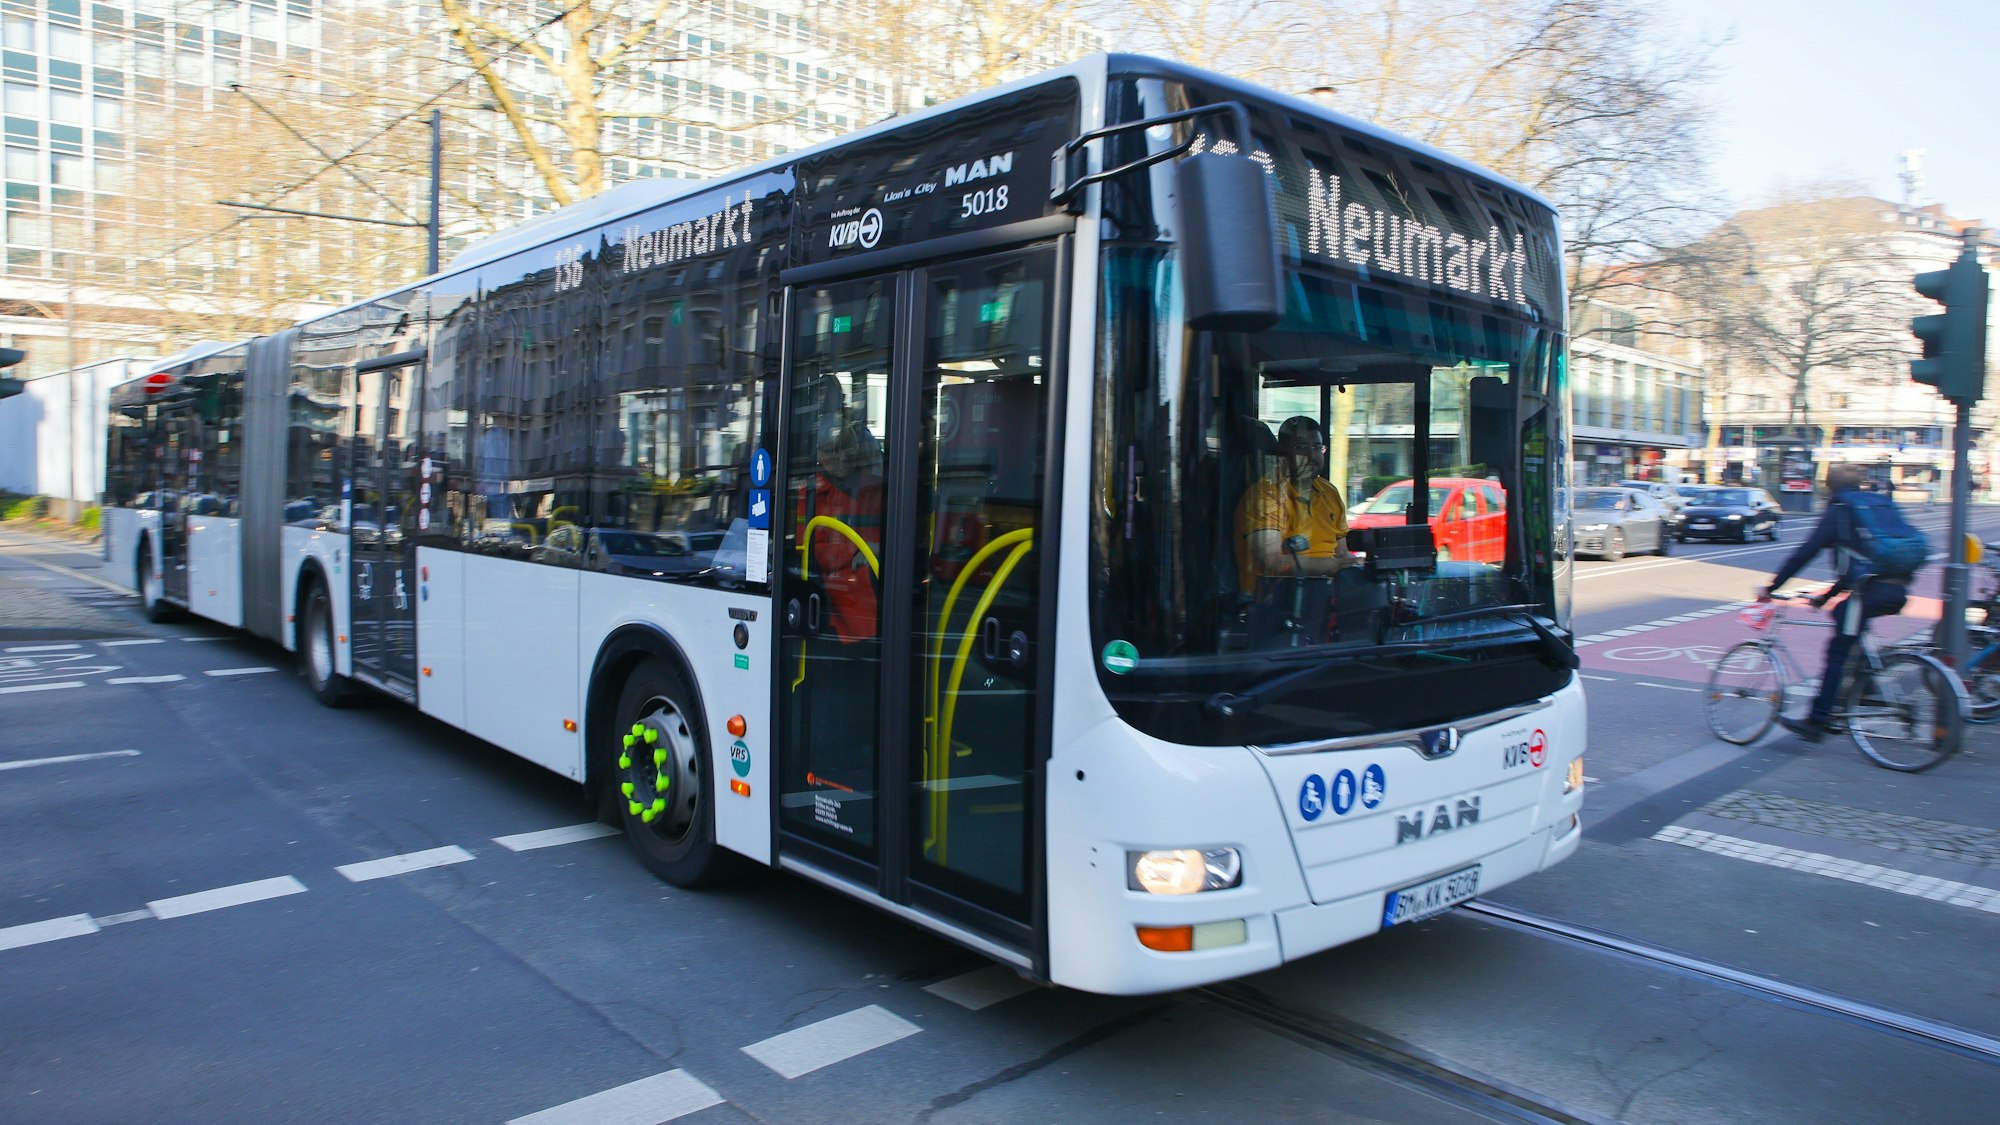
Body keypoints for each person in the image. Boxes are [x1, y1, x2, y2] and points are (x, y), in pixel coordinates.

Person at [1759, 463, 1911, 742]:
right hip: (1896, 586)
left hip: (1870, 590)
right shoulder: (1875, 504)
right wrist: (1826, 598)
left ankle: (1818, 721)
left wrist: (1772, 587)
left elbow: (1806, 552)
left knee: (1837, 652)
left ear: (1829, 486)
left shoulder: (1840, 510)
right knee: (1846, 619)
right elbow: (1862, 564)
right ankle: (1859, 690)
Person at [1235, 415, 1355, 594]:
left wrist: (1356, 565)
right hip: (1277, 598)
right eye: (1301, 448)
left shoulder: (1329, 493)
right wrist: (1333, 566)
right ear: (1282, 453)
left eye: (1317, 447)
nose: (1311, 456)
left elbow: (1342, 554)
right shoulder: (1265, 495)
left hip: (1326, 595)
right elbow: (1272, 561)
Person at [809, 419, 883, 643]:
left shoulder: (876, 487)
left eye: (848, 449)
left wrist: (878, 547)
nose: (842, 457)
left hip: (874, 589)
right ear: (820, 455)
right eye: (833, 451)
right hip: (837, 597)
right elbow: (815, 551)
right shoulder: (811, 493)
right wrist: (858, 550)